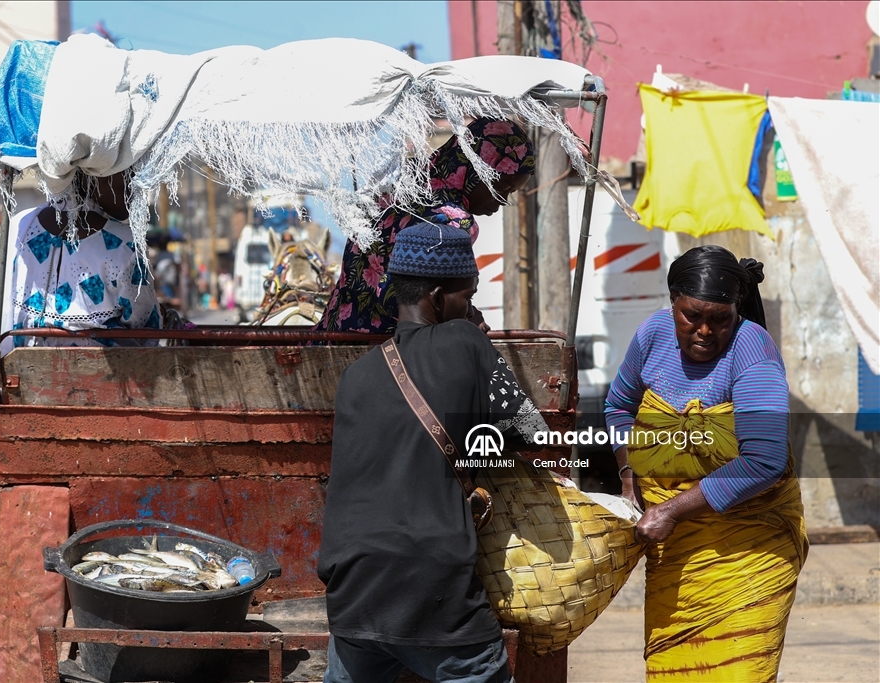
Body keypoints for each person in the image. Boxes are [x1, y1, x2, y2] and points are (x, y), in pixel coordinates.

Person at [318, 221, 549, 683]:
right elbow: (532, 434)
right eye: (468, 296)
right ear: (439, 298)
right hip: (434, 590)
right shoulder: (465, 341)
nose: (472, 307)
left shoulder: (355, 376)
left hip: (353, 591)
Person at [604, 245, 807, 682]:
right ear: (672, 300)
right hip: (676, 552)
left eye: (720, 319)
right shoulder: (652, 336)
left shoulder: (752, 351)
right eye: (691, 316)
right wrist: (627, 473)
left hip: (751, 549)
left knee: (739, 670)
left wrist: (672, 509)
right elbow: (619, 407)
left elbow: (764, 460)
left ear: (737, 311)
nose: (704, 331)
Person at [0, 171, 161, 460]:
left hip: (25, 407)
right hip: (108, 414)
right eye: (126, 173)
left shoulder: (19, 227)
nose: (134, 186)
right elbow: (147, 330)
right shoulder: (125, 245)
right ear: (95, 176)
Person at [315, 118, 534, 334]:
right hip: (388, 347)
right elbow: (422, 303)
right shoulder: (454, 222)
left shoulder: (402, 185)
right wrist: (468, 316)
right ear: (477, 171)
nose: (503, 200)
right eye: (503, 187)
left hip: (333, 333)